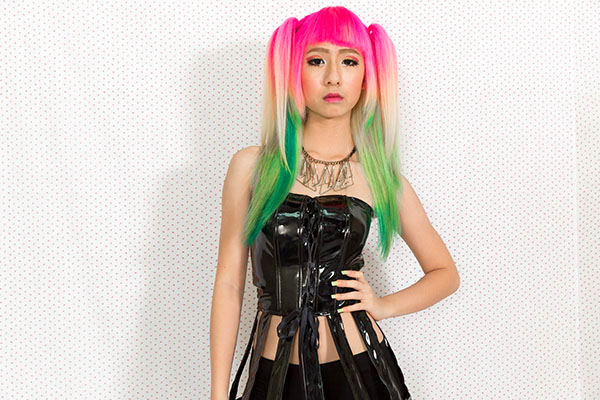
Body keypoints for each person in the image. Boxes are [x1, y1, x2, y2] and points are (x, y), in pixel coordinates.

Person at [210, 6, 460, 400]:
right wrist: (217, 393)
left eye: (349, 61)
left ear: (366, 75)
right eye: (316, 60)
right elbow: (228, 285)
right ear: (294, 71)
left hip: (361, 374)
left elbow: (445, 273)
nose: (333, 76)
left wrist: (383, 306)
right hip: (273, 379)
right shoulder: (252, 167)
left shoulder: (380, 178)